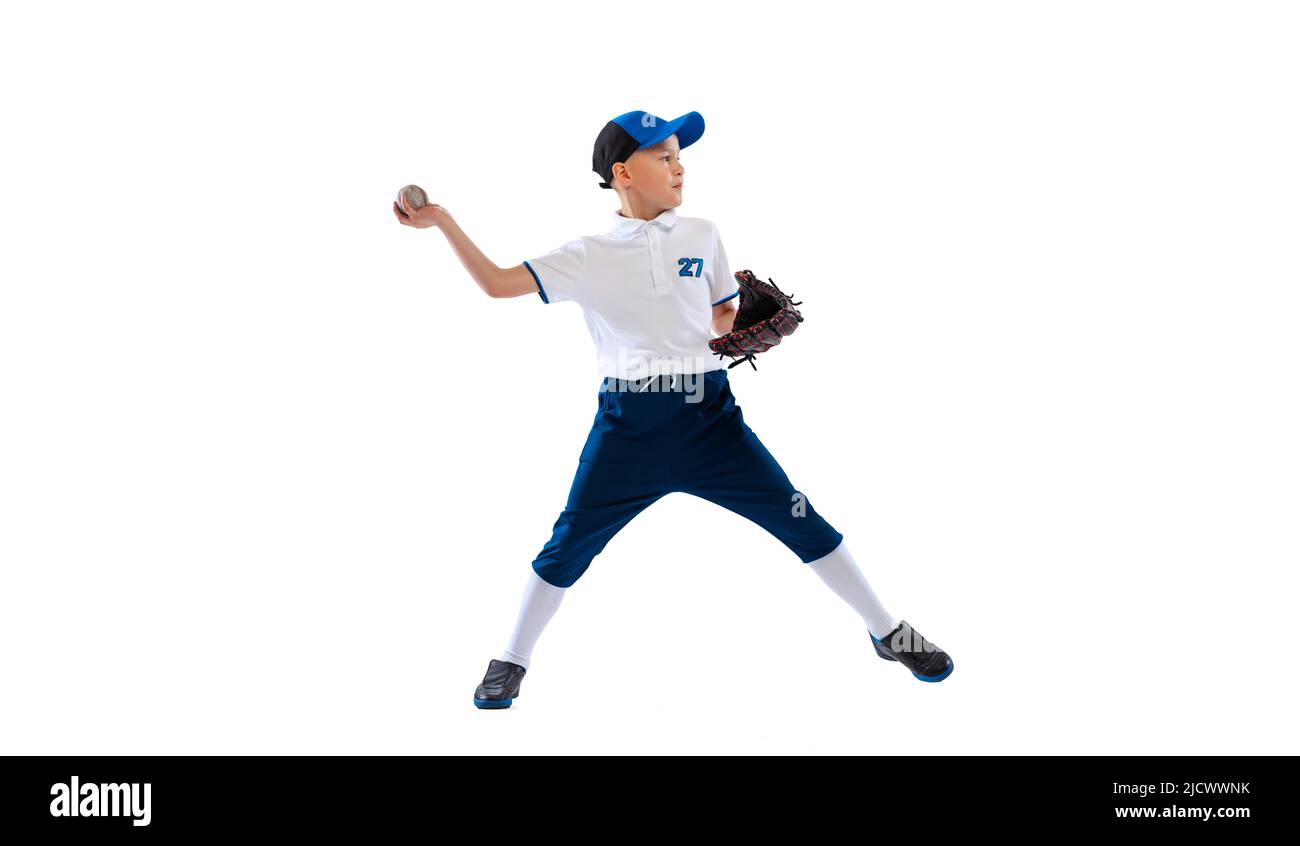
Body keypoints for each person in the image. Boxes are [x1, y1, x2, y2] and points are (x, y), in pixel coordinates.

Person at [392, 109, 954, 709]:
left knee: (799, 515)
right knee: (568, 542)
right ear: (622, 172)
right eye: (663, 156)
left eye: (680, 156)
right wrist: (444, 222)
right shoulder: (588, 254)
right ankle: (511, 658)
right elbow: (499, 283)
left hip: (711, 422)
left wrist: (738, 325)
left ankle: (885, 629)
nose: (678, 166)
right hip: (626, 431)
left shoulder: (703, 234)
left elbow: (721, 315)